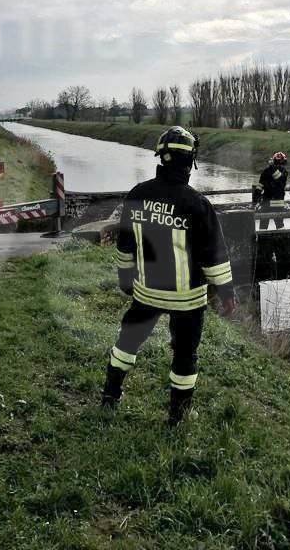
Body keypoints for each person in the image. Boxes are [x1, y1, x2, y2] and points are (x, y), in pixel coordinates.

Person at [102, 126, 237, 426]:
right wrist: (227, 293)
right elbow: (214, 259)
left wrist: (126, 281)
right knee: (185, 355)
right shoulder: (198, 204)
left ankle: (110, 396)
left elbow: (125, 247)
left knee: (127, 343)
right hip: (187, 300)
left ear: (160, 158)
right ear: (190, 162)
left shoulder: (137, 195)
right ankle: (178, 416)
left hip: (146, 293)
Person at [257, 152, 289, 230]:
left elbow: (278, 179)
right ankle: (280, 237)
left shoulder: (269, 170)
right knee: (279, 225)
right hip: (276, 202)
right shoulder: (283, 171)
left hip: (267, 201)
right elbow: (260, 185)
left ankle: (262, 237)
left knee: (264, 224)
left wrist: (256, 200)